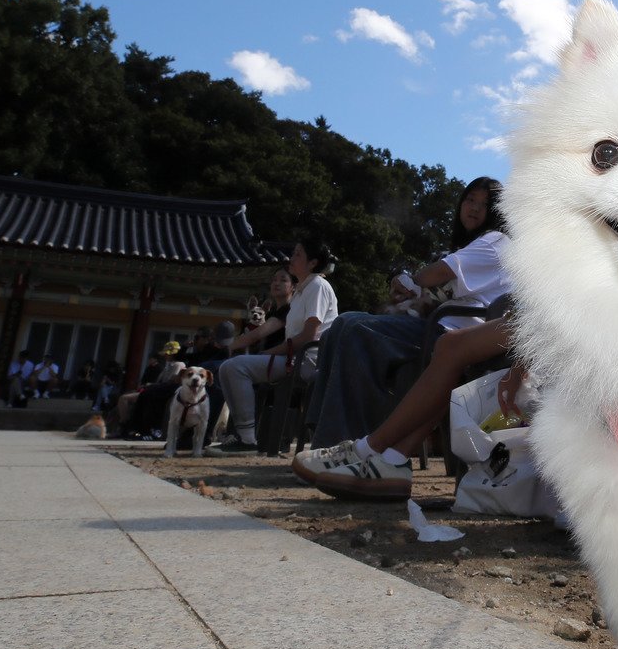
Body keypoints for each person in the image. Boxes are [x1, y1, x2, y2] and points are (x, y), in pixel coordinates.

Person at [305, 177, 511, 449]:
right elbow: (434, 288)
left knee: (356, 329)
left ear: (496, 211)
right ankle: (322, 433)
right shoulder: (473, 245)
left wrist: (411, 280)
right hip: (436, 326)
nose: (474, 208)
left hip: (451, 334)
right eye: (470, 200)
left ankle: (344, 443)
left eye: (484, 204)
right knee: (342, 324)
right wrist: (408, 287)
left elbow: (436, 274)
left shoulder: (496, 241)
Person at [292, 313, 514, 499]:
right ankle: (390, 460)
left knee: (449, 346)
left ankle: (369, 451)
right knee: (448, 348)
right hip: (530, 316)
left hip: (536, 319)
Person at [209, 237, 340, 455]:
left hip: (310, 361)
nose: (292, 257)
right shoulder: (300, 292)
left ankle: (247, 439)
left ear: (312, 263)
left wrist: (269, 352)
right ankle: (244, 435)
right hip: (295, 358)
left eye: (298, 254)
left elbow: (309, 335)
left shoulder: (317, 286)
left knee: (235, 367)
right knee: (228, 368)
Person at [199, 268, 296, 442]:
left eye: (283, 280)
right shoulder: (273, 312)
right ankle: (222, 432)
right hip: (264, 360)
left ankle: (227, 433)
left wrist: (227, 348)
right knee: (216, 370)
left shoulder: (289, 310)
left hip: (280, 361)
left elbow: (256, 335)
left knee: (212, 370)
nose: (276, 283)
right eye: (274, 279)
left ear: (293, 287)